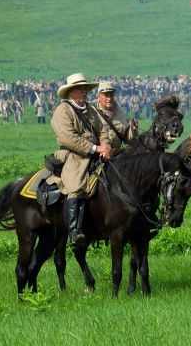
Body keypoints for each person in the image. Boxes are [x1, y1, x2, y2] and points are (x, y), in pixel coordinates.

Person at [51, 73, 111, 250]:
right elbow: (68, 137)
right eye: (81, 89)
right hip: (74, 155)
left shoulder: (91, 109)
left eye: (85, 88)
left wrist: (106, 146)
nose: (85, 91)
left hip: (97, 153)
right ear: (71, 92)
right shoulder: (62, 111)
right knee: (76, 185)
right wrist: (94, 148)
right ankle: (74, 232)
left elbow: (103, 130)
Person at [94, 81, 134, 151]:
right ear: (99, 97)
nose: (109, 99)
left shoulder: (121, 113)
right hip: (97, 154)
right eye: (106, 95)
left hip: (116, 155)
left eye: (111, 95)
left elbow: (128, 140)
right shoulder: (92, 112)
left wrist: (132, 130)